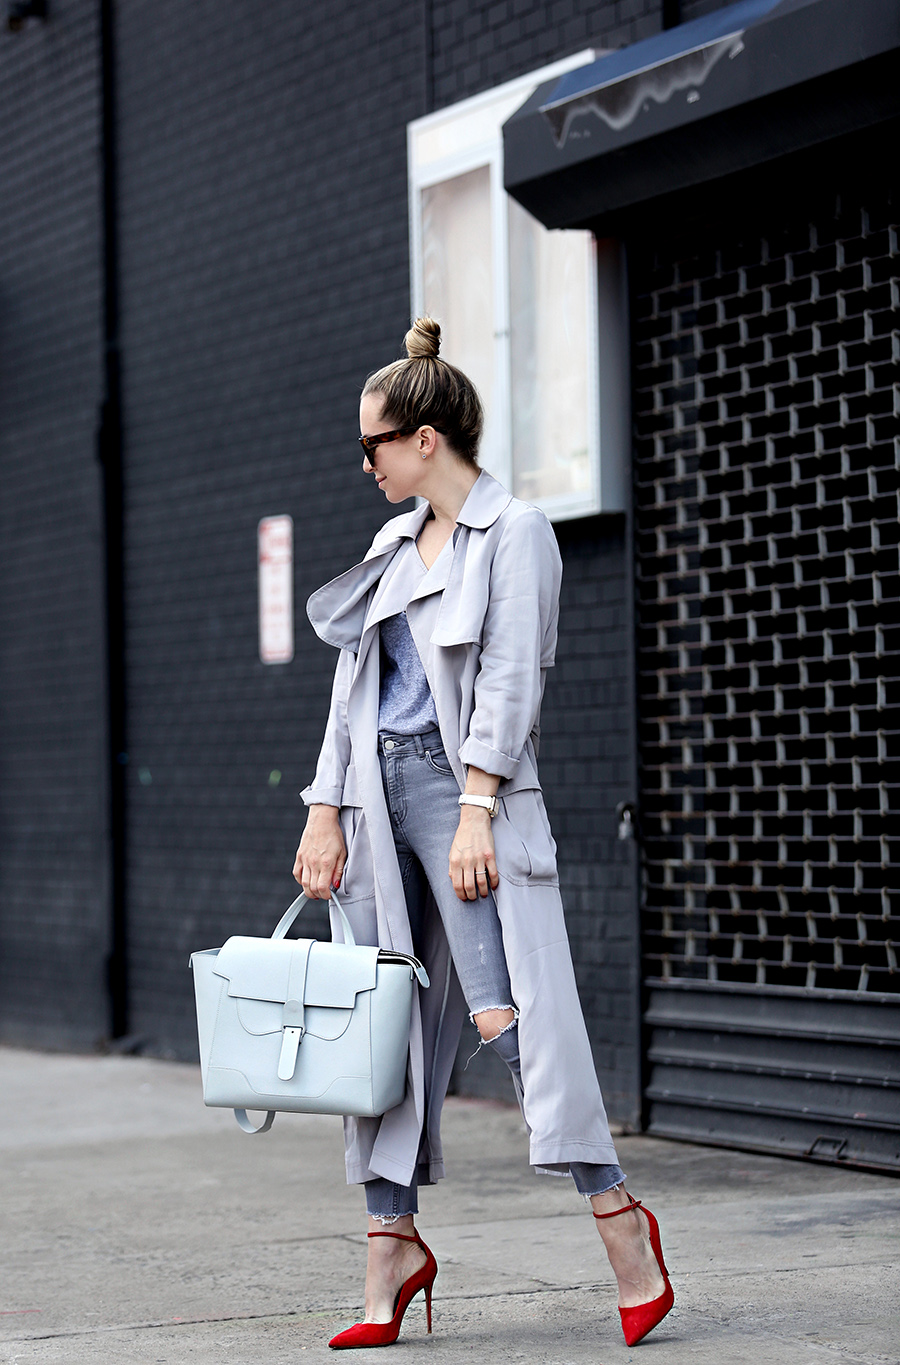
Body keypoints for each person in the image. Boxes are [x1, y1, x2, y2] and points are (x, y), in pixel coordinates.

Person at [293, 317, 674, 1351]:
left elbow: (511, 680)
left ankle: (621, 1226)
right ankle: (389, 1248)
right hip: (375, 803)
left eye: (372, 443)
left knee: (512, 1020)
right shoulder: (390, 544)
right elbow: (350, 692)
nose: (363, 464)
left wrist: (474, 808)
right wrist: (324, 809)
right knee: (374, 1029)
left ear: (426, 438)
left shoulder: (518, 535)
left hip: (470, 802)